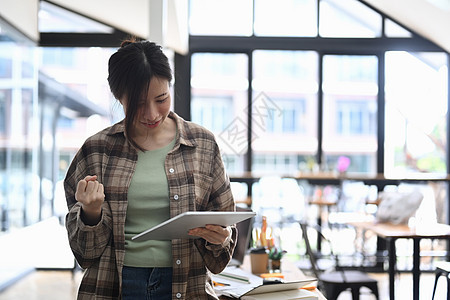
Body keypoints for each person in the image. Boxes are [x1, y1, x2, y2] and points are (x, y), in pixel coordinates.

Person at [64, 38, 237, 299]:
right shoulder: (97, 150)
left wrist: (220, 238)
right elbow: (85, 255)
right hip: (113, 286)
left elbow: (224, 245)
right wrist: (91, 211)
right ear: (118, 96)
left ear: (170, 87)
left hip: (186, 284)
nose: (153, 113)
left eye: (161, 98)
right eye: (139, 104)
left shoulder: (203, 144)